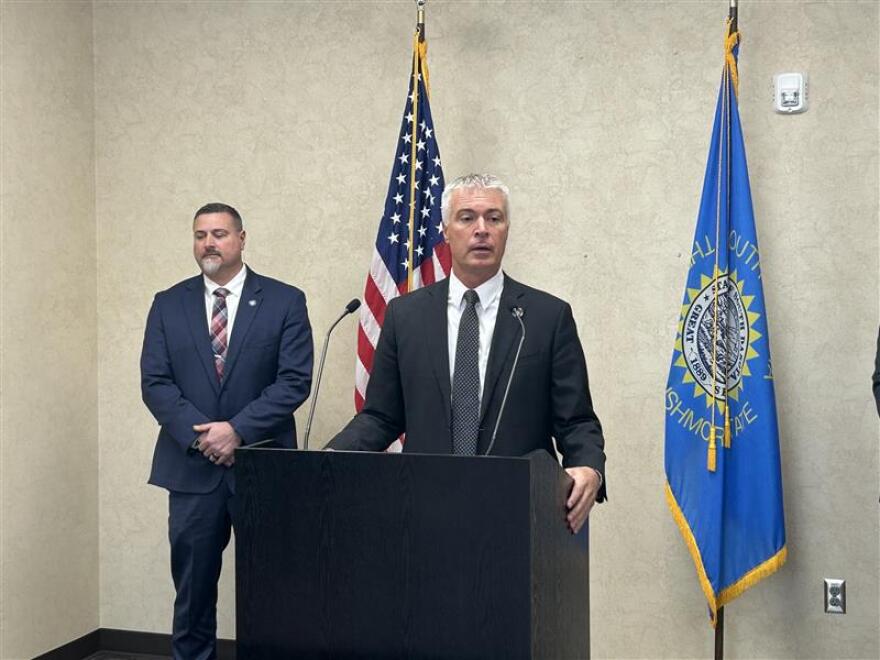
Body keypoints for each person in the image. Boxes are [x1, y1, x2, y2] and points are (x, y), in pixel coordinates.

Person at [328, 174, 606, 533]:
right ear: (445, 230)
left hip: (518, 515)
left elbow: (576, 421)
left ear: (506, 229)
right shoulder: (405, 315)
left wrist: (588, 467)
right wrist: (332, 457)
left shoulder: (546, 317)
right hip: (424, 511)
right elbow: (381, 416)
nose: (481, 229)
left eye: (494, 218)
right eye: (467, 217)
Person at [140, 202, 312, 659]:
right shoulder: (168, 303)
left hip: (262, 468)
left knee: (272, 589)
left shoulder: (284, 300)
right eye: (200, 235)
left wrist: (236, 430)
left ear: (241, 239)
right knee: (193, 594)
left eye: (219, 233)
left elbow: (294, 380)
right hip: (191, 471)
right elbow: (155, 383)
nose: (209, 243)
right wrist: (205, 437)